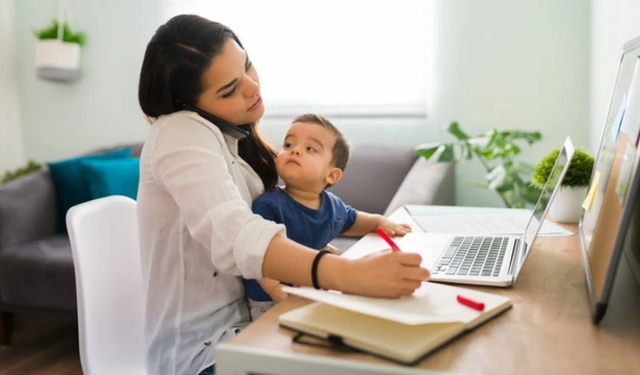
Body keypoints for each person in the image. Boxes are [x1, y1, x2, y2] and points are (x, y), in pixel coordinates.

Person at [137, 14, 430, 375]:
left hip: (258, 324)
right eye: (229, 90)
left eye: (247, 66)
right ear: (190, 104)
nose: (252, 87)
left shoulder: (232, 139)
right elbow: (234, 234)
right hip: (204, 353)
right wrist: (345, 274)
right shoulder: (179, 132)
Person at [245, 114, 412, 320]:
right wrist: (275, 288)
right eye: (288, 144)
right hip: (268, 297)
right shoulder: (268, 204)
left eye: (310, 149)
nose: (294, 150)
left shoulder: (332, 206)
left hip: (314, 286)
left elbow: (353, 221)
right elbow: (257, 254)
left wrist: (379, 222)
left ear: (332, 175)